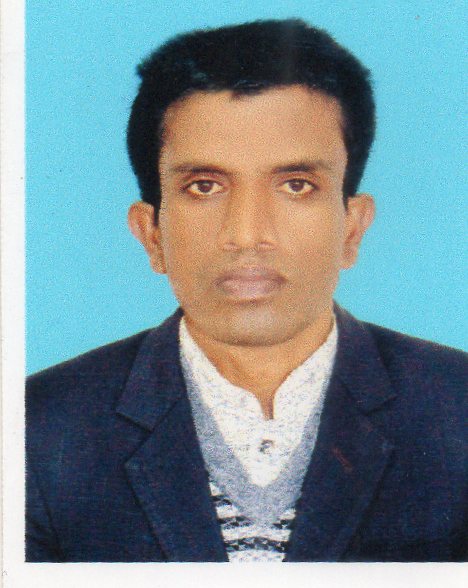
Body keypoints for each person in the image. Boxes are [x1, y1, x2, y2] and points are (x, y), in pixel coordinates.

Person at [26, 19, 467, 562]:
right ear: (151, 233)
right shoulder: (34, 432)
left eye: (296, 185)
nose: (247, 234)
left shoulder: (458, 410)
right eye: (204, 186)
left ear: (352, 228)